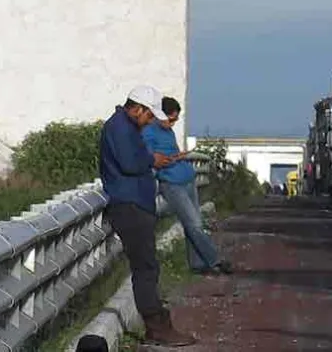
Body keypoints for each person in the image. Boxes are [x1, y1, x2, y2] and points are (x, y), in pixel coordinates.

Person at [99, 85, 197, 347]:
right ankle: (157, 326)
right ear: (138, 109)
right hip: (129, 205)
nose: (151, 120)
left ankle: (159, 324)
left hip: (134, 203)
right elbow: (131, 164)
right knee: (145, 268)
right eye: (149, 115)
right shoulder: (120, 129)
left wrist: (150, 158)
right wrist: (152, 160)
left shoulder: (126, 127)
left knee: (148, 266)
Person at [143, 96, 233, 276]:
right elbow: (150, 159)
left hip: (187, 178)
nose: (173, 123)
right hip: (171, 183)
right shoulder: (148, 133)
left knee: (192, 224)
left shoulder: (167, 132)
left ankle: (198, 264)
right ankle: (214, 259)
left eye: (176, 119)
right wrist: (172, 160)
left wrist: (179, 157)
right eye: (171, 119)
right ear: (161, 115)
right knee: (195, 223)